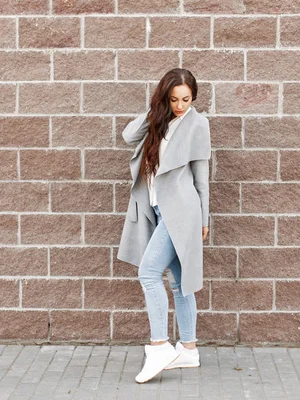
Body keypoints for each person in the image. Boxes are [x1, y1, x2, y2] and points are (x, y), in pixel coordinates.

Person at [116, 68, 212, 384]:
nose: (180, 106)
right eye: (173, 99)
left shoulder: (198, 124)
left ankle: (159, 346)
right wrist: (155, 111)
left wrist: (205, 218)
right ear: (165, 98)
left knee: (148, 272)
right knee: (179, 283)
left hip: (183, 212)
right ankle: (189, 349)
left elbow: (201, 177)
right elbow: (128, 135)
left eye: (186, 99)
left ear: (194, 97)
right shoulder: (160, 122)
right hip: (158, 210)